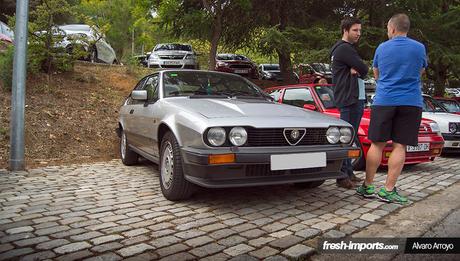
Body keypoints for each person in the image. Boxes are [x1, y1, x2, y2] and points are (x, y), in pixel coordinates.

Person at [356, 14, 427, 204]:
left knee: (376, 143)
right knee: (400, 145)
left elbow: (377, 74)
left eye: (388, 29)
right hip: (411, 101)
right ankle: (388, 190)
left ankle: (368, 185)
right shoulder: (419, 48)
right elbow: (421, 71)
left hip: (384, 100)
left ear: (393, 28)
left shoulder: (382, 48)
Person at [330, 17, 369, 189]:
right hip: (349, 98)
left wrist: (357, 70)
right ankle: (342, 176)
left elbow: (361, 70)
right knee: (345, 138)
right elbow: (365, 69)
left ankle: (349, 172)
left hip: (355, 97)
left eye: (360, 30)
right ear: (345, 30)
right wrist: (358, 69)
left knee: (350, 138)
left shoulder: (348, 49)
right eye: (355, 30)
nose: (358, 34)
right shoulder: (344, 49)